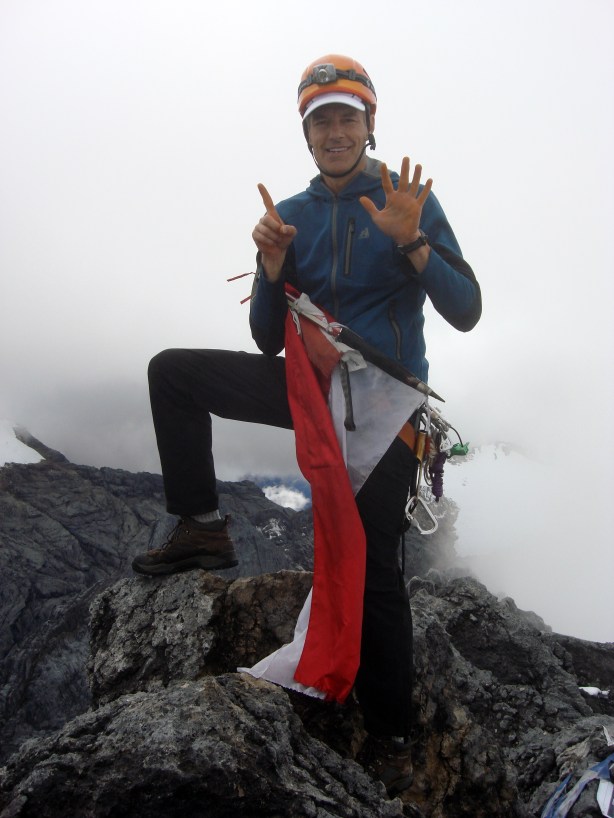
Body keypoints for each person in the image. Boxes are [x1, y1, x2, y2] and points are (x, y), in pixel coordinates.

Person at [132, 54, 481, 796]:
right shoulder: (291, 213)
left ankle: (391, 734)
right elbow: (267, 338)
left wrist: (413, 241)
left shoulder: (407, 201)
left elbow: (466, 310)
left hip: (384, 406)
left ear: (370, 123)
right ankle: (201, 525)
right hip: (312, 389)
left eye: (347, 116)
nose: (335, 131)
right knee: (173, 373)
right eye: (321, 120)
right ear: (307, 132)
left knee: (373, 567)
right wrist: (271, 264)